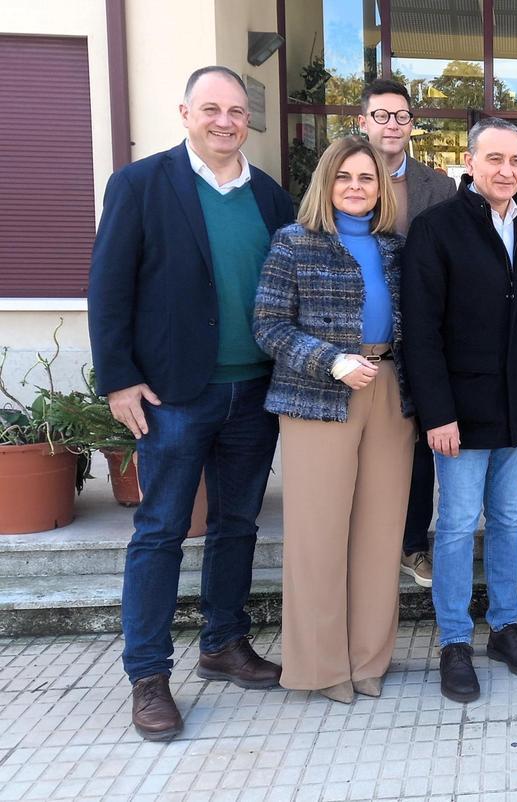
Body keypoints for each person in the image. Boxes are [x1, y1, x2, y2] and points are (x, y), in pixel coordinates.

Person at [87, 65, 294, 741]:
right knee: (161, 532)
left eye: (236, 110)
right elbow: (108, 288)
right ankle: (149, 676)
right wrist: (118, 379)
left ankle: (223, 644)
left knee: (237, 526)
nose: (226, 121)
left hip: (253, 391)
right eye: (211, 109)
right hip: (174, 395)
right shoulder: (141, 185)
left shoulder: (269, 197)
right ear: (185, 113)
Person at [253, 137, 411, 704]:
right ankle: (320, 667)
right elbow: (269, 326)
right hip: (318, 398)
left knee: (379, 533)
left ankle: (368, 659)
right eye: (344, 177)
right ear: (326, 182)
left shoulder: (395, 247)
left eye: (366, 177)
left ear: (381, 185)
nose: (355, 187)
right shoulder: (294, 244)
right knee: (318, 537)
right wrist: (332, 360)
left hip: (389, 391)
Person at [403, 117, 517, 703]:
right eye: (494, 159)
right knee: (460, 524)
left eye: (515, 160)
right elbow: (421, 330)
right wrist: (437, 412)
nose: (506, 171)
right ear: (469, 162)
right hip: (459, 413)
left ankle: (506, 627)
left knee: (510, 521)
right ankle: (455, 640)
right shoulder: (437, 228)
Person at [358, 78, 456, 589]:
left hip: (419, 332)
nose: (392, 125)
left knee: (417, 446)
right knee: (365, 448)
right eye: (382, 115)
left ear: (411, 124)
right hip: (358, 340)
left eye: (401, 116)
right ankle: (368, 544)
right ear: (363, 122)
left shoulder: (437, 186)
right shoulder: (342, 175)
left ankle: (412, 544)